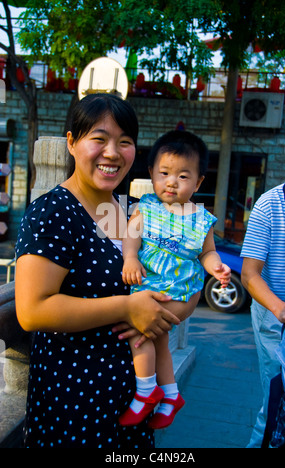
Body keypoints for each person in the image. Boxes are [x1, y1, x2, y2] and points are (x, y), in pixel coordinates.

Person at [15, 93, 181, 449]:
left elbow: (183, 262)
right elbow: (31, 310)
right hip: (75, 404)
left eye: (125, 142)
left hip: (131, 404)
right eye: (99, 139)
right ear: (72, 143)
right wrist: (126, 308)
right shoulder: (54, 212)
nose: (112, 153)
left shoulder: (132, 210)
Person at [117, 130, 231, 429]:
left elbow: (207, 253)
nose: (172, 182)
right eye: (164, 173)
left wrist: (216, 267)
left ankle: (145, 392)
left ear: (198, 181)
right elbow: (132, 236)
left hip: (177, 291)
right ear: (152, 172)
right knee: (160, 341)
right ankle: (170, 394)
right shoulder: (146, 205)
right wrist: (130, 258)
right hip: (147, 285)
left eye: (183, 176)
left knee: (138, 331)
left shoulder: (201, 218)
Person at [241, 125, 285, 448]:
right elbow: (250, 274)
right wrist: (282, 309)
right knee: (277, 402)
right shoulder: (270, 204)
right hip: (275, 320)